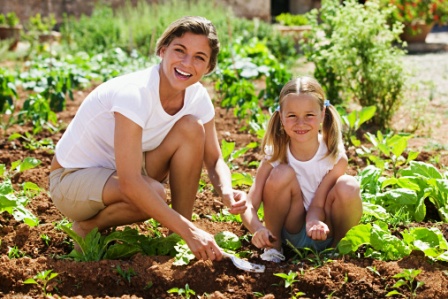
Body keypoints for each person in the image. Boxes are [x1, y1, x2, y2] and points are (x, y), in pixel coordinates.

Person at [49, 16, 247, 262]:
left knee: (191, 128)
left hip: (115, 174)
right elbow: (132, 182)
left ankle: (177, 234)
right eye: (180, 50)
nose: (187, 63)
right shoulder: (136, 93)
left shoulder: (196, 97)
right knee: (151, 192)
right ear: (163, 51)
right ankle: (88, 227)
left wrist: (227, 190)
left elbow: (214, 158)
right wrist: (192, 232)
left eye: (199, 57)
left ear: (208, 67)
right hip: (71, 180)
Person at [241, 77, 362, 262]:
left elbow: (318, 203)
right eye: (292, 116)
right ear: (281, 116)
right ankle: (274, 248)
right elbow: (249, 203)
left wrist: (314, 222)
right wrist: (257, 228)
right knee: (282, 173)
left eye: (309, 115)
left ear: (322, 114)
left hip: (324, 230)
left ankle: (338, 249)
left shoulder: (334, 157)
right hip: (290, 231)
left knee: (348, 185)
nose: (300, 123)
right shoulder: (275, 154)